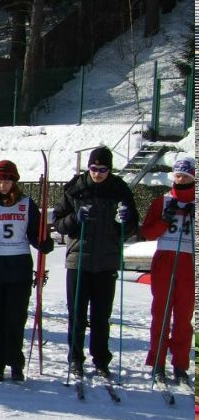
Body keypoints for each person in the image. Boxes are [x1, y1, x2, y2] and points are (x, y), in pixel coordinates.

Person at [50, 146, 138, 379]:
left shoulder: (119, 189)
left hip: (106, 260)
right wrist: (74, 219)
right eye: (94, 168)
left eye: (103, 169)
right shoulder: (75, 188)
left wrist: (125, 221)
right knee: (76, 313)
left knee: (101, 316)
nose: (98, 173)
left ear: (110, 169)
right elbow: (57, 222)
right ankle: (75, 358)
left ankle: (101, 359)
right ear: (87, 167)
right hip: (78, 259)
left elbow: (130, 226)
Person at [0, 160, 53, 382]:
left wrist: (43, 242)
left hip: (19, 264)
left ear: (14, 181)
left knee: (15, 318)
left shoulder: (26, 203)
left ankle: (16, 363)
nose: (2, 184)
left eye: (6, 179)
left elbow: (35, 232)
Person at [138, 157, 195, 383]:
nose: (180, 180)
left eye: (186, 176)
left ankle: (180, 364)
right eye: (178, 176)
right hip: (165, 261)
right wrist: (164, 219)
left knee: (184, 317)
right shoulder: (162, 201)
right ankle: (158, 362)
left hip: (189, 264)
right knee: (160, 314)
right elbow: (148, 233)